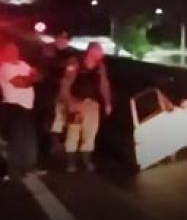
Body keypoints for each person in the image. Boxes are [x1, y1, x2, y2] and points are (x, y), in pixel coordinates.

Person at [60, 42, 112, 172]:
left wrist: (107, 103)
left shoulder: (100, 67)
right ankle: (71, 163)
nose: (101, 54)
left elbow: (104, 85)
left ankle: (86, 161)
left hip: (92, 105)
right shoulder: (76, 63)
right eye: (99, 51)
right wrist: (68, 103)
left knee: (90, 134)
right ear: (91, 51)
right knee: (73, 133)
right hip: (76, 102)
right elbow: (65, 83)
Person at [0, 42, 40, 181]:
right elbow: (20, 84)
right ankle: (13, 171)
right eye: (10, 51)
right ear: (4, 53)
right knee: (17, 141)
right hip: (14, 107)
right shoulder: (5, 67)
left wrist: (31, 77)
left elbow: (38, 76)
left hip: (27, 107)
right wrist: (31, 77)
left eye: (16, 50)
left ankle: (29, 168)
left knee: (28, 141)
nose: (14, 53)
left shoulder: (22, 64)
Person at [36, 31, 74, 168]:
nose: (62, 41)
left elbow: (71, 73)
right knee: (47, 117)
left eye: (65, 39)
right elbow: (44, 68)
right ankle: (45, 146)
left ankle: (54, 145)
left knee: (60, 119)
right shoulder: (48, 49)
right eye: (60, 38)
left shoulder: (71, 54)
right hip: (47, 90)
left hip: (63, 91)